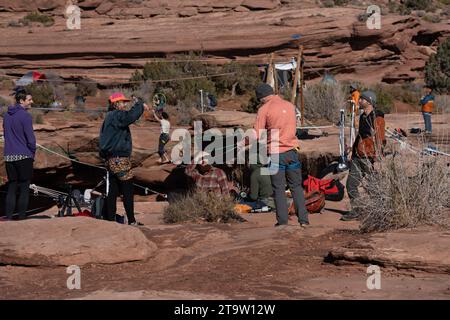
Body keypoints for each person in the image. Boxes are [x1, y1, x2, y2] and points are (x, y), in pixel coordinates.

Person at [253, 83, 309, 228]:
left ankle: (283, 222)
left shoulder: (264, 109)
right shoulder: (290, 105)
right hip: (292, 151)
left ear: (261, 98)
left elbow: (256, 134)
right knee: (296, 187)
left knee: (278, 188)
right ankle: (304, 221)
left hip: (276, 154)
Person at [99, 92, 147, 226]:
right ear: (116, 104)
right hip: (120, 159)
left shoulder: (108, 117)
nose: (125, 104)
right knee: (127, 189)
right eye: (122, 102)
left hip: (110, 160)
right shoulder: (116, 115)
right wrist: (140, 104)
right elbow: (131, 116)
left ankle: (110, 221)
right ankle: (131, 221)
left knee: (113, 190)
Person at [342, 91, 386, 221]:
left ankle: (383, 211)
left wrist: (378, 156)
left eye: (362, 99)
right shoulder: (362, 117)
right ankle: (357, 210)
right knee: (351, 184)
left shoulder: (378, 118)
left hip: (370, 157)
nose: (359, 100)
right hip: (358, 156)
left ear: (369, 101)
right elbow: (360, 135)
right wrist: (352, 150)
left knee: (375, 186)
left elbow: (380, 138)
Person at [2, 87, 36, 221]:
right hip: (24, 156)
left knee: (11, 186)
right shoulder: (25, 116)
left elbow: (6, 135)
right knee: (24, 187)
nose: (31, 102)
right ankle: (21, 218)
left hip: (9, 156)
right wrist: (32, 152)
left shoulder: (6, 115)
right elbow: (31, 139)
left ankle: (9, 217)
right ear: (22, 101)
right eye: (29, 99)